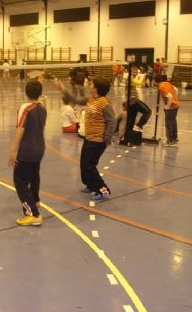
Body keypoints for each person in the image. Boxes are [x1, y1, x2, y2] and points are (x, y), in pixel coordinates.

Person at [55, 77, 115, 201]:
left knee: (89, 166)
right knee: (83, 163)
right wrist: (63, 89)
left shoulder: (105, 103)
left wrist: (107, 138)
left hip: (98, 140)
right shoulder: (90, 99)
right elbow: (75, 100)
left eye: (92, 85)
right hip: (89, 138)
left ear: (96, 89)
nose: (90, 86)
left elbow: (112, 121)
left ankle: (103, 190)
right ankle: (91, 185)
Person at [8, 80, 47, 226]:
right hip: (39, 148)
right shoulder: (43, 108)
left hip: (27, 150)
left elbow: (21, 128)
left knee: (20, 182)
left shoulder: (25, 107)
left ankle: (33, 214)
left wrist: (13, 150)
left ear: (26, 92)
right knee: (34, 175)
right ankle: (35, 201)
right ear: (40, 93)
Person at [126, 67, 152, 136]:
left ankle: (129, 135)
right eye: (134, 72)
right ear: (131, 72)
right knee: (148, 111)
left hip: (131, 101)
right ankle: (138, 126)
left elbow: (142, 85)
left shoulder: (132, 78)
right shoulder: (130, 78)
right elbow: (139, 83)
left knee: (132, 119)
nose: (135, 74)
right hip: (133, 101)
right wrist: (144, 76)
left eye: (136, 72)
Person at [158, 75, 179, 147]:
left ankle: (170, 141)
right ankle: (174, 138)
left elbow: (169, 96)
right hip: (175, 106)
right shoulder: (167, 83)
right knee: (173, 122)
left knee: (168, 124)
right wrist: (175, 98)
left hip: (171, 107)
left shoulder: (161, 86)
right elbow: (176, 89)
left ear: (154, 81)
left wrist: (168, 106)